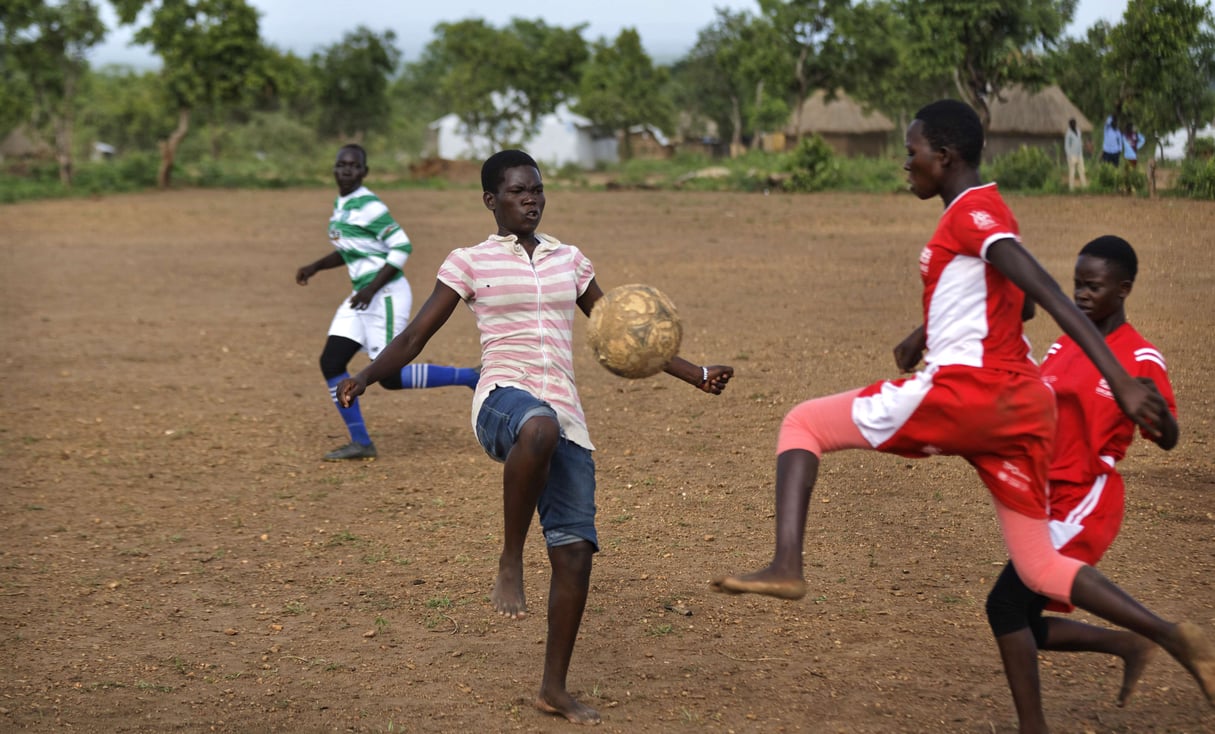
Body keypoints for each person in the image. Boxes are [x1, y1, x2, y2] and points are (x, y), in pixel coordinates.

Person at [710, 100, 1215, 716]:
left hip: (972, 392)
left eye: (911, 151)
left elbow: (1043, 290)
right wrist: (924, 332)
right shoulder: (988, 211)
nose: (905, 163)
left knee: (802, 422)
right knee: (1036, 564)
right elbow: (1012, 304)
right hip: (1022, 413)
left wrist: (1122, 380)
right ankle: (1170, 635)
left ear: (943, 156)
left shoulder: (974, 211)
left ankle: (786, 563)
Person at [336, 150, 734, 724]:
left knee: (575, 556)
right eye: (519, 191)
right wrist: (367, 375)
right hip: (504, 398)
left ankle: (553, 689)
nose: (531, 199)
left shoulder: (569, 260)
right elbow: (418, 332)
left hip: (566, 413)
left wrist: (695, 374)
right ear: (491, 200)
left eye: (538, 190)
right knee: (538, 425)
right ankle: (510, 558)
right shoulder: (468, 262)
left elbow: (619, 329)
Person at [985, 235, 1179, 733]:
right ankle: (1128, 643)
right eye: (1077, 285)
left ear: (1124, 289)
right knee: (1019, 621)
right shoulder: (1066, 340)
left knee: (1005, 604)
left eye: (1093, 286)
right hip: (1043, 498)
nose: (1081, 295)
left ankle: (1163, 634)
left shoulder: (1140, 358)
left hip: (1085, 498)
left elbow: (1168, 436)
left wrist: (1157, 413)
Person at [296, 144, 481, 461]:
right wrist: (315, 267)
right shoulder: (343, 205)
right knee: (331, 362)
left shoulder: (368, 205)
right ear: (334, 169)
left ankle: (469, 377)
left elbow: (401, 246)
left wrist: (370, 290)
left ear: (364, 172)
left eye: (354, 166)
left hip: (385, 295)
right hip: (363, 297)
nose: (346, 170)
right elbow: (353, 247)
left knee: (390, 377)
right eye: (341, 164)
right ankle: (361, 442)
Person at [1064, 118, 1088, 191]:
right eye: (1072, 124)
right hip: (1072, 155)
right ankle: (1071, 188)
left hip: (1079, 154)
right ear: (1070, 125)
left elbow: (1080, 141)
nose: (1073, 125)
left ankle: (1084, 187)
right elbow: (1066, 145)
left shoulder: (1078, 131)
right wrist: (1069, 155)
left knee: (1082, 171)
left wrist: (1082, 147)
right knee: (1072, 172)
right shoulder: (1068, 133)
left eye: (1074, 123)